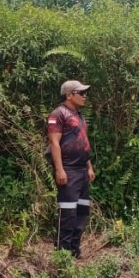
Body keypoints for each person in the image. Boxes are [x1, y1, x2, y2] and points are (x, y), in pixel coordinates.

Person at [46, 80, 96, 259]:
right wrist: (60, 170)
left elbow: (83, 142)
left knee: (82, 212)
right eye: (80, 93)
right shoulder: (58, 114)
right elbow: (54, 143)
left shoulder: (79, 116)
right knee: (68, 213)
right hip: (68, 170)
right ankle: (63, 254)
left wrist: (89, 166)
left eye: (85, 93)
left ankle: (74, 251)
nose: (84, 96)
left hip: (82, 171)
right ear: (69, 95)